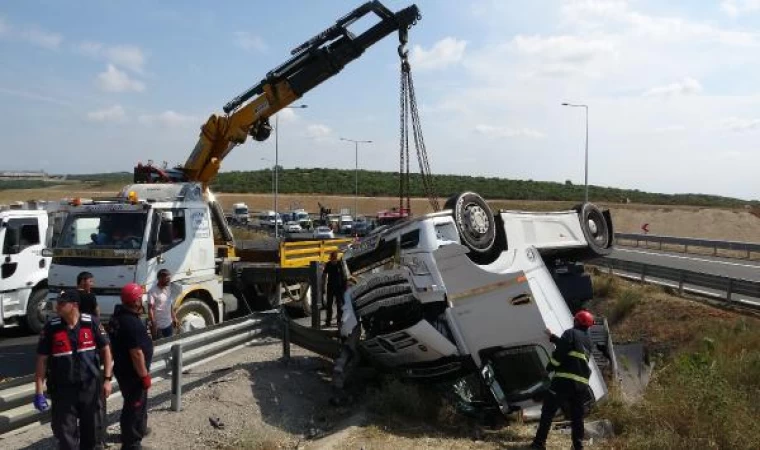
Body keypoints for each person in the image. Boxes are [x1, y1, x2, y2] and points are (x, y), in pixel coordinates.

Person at [33, 289, 113, 450]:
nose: (57, 307)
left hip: (90, 388)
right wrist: (39, 392)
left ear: (74, 305)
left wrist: (107, 380)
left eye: (62, 304)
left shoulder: (91, 323)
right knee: (65, 435)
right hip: (63, 391)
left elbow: (106, 350)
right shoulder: (51, 328)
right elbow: (41, 360)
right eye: (57, 303)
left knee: (92, 433)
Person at [530, 310, 597, 450]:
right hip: (581, 386)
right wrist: (552, 337)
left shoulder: (570, 333)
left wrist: (547, 369)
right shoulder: (588, 341)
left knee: (548, 412)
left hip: (563, 382)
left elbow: (560, 352)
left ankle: (538, 444)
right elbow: (570, 346)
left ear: (576, 321)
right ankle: (578, 446)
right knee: (577, 417)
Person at [109, 283, 154, 449]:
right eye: (139, 298)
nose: (141, 300)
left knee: (139, 403)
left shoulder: (118, 317)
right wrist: (144, 375)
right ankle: (131, 443)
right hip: (133, 373)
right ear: (135, 301)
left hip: (124, 369)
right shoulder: (130, 322)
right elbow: (136, 353)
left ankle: (139, 429)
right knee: (133, 406)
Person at [331, 277, 360, 404]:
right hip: (349, 335)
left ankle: (341, 392)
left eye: (351, 286)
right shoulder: (348, 300)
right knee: (345, 361)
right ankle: (340, 391)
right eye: (348, 286)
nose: (348, 288)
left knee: (345, 361)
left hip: (351, 335)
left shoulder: (353, 301)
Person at [148, 269, 178, 339]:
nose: (169, 281)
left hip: (169, 324)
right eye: (167, 279)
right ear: (159, 279)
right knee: (160, 346)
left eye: (169, 279)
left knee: (169, 344)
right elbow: (150, 309)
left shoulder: (168, 288)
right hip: (159, 327)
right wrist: (153, 324)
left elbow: (169, 304)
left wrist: (174, 317)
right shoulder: (152, 292)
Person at [321, 251, 346, 328]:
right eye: (331, 259)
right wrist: (322, 287)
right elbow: (324, 276)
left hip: (339, 287)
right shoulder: (328, 264)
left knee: (339, 304)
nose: (332, 261)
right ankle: (328, 321)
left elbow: (344, 275)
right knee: (329, 305)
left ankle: (339, 320)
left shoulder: (339, 264)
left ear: (335, 259)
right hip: (330, 287)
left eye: (333, 259)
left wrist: (344, 286)